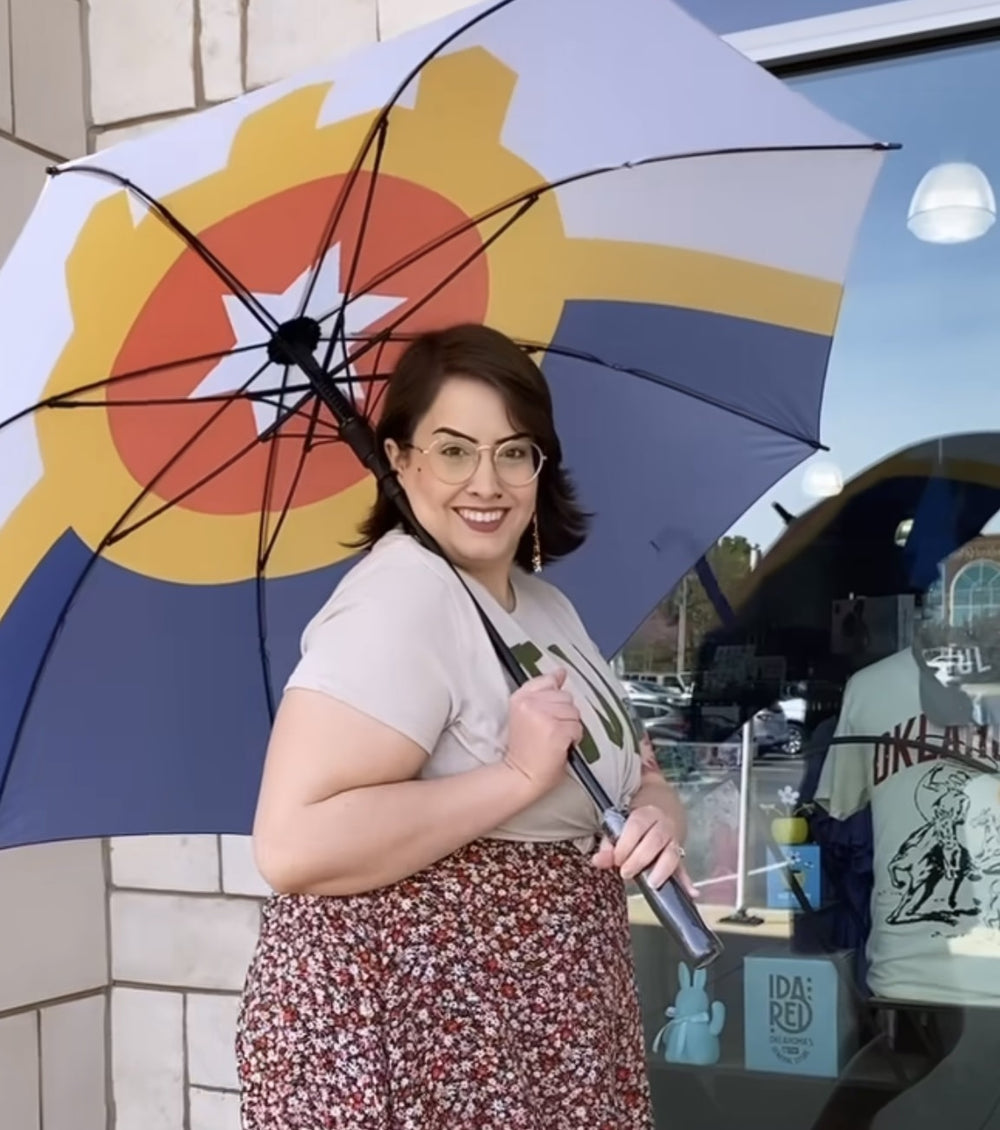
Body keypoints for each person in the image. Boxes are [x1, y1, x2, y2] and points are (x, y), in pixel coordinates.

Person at [236, 323, 693, 1129]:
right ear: (401, 459)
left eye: (513, 451)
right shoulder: (401, 598)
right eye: (453, 450)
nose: (488, 481)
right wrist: (515, 778)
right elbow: (293, 844)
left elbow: (637, 766)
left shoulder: (546, 604)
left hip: (549, 1024)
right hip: (425, 1037)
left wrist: (657, 813)